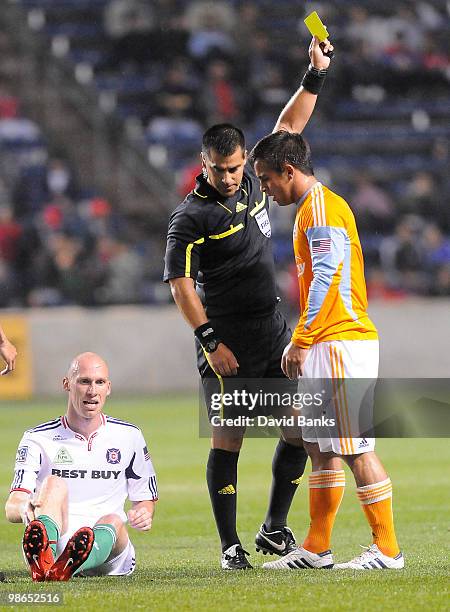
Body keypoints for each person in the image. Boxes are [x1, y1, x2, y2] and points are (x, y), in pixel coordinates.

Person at [163, 36, 334, 569]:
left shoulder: (257, 184)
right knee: (230, 436)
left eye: (238, 168)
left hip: (273, 328)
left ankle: (274, 527)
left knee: (300, 428)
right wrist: (210, 341)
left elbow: (289, 128)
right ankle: (229, 547)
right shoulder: (190, 218)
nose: (233, 178)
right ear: (204, 163)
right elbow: (180, 285)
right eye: (222, 170)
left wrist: (316, 73)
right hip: (228, 339)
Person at [249, 130, 404, 570]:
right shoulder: (309, 210)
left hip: (339, 339)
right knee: (320, 448)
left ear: (289, 171)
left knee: (355, 448)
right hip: (327, 341)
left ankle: (388, 550)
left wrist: (301, 338)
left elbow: (327, 276)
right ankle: (317, 548)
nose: (265, 188)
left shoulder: (321, 208)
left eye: (266, 179)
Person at [5, 352, 158, 581]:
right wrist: (25, 508)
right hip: (54, 540)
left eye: (99, 382)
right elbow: (13, 504)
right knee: (53, 484)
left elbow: (144, 497)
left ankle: (65, 566)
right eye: (84, 381)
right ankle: (49, 560)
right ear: (67, 384)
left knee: (114, 520)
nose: (92, 391)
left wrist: (143, 513)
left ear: (109, 388)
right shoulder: (37, 438)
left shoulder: (130, 436)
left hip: (109, 548)